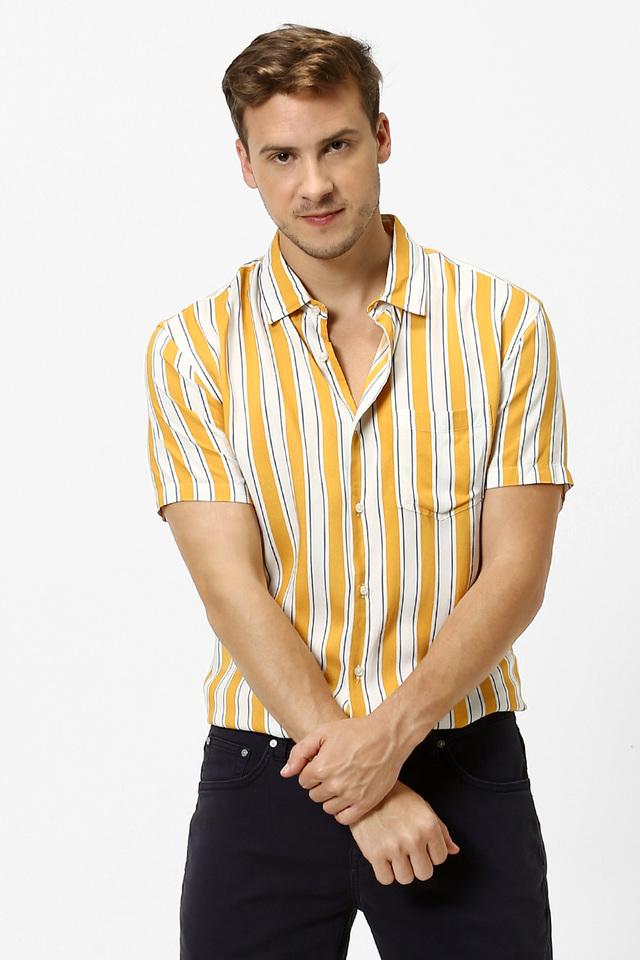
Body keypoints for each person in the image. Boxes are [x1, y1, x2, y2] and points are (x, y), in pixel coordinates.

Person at [144, 22, 574, 960]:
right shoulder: (193, 350)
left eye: (336, 144)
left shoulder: (503, 325)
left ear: (381, 136)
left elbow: (517, 571)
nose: (315, 185)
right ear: (245, 164)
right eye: (282, 156)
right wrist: (364, 785)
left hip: (460, 763)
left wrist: (391, 738)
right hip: (266, 770)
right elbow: (229, 586)